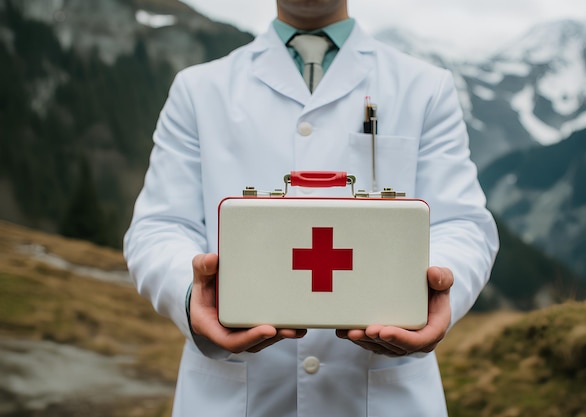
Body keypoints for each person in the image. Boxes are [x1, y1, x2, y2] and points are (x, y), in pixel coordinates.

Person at [124, 0, 499, 416]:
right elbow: (159, 227)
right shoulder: (198, 89)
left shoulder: (425, 86)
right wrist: (194, 295)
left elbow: (461, 224)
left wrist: (431, 295)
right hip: (236, 397)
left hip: (383, 396)